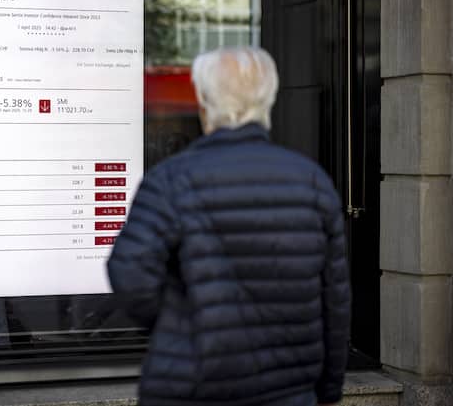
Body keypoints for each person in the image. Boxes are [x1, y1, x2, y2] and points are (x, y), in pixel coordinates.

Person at [107, 47, 350, 406]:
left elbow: (128, 273)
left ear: (204, 103)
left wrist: (179, 325)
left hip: (191, 388)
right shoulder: (313, 183)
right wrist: (329, 389)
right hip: (287, 391)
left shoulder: (170, 181)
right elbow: (335, 302)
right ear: (268, 101)